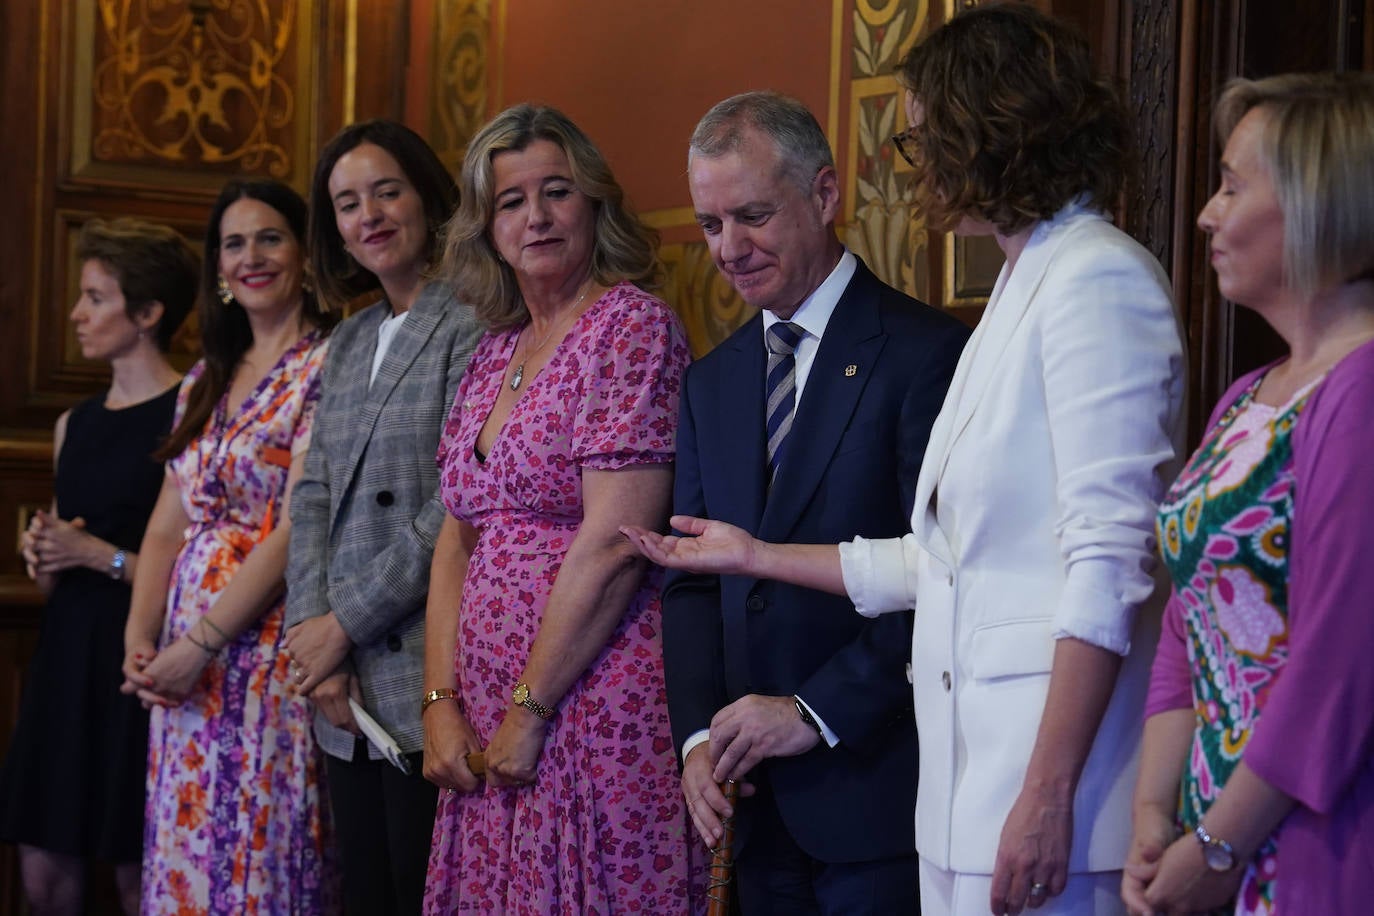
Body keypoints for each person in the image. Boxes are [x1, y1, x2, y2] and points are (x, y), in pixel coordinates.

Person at [625, 7, 1186, 915]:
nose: (913, 162)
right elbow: (941, 557)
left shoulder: (1094, 276)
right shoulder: (1020, 283)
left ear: (992, 130)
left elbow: (1113, 558)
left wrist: (1045, 793)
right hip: (965, 786)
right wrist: (754, 555)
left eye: (927, 136)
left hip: (1036, 779)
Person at [655, 90, 968, 914]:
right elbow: (689, 580)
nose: (729, 248)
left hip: (876, 795)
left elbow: (946, 574)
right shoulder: (709, 383)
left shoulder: (927, 354)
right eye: (711, 225)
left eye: (752, 215)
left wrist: (813, 711)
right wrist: (695, 741)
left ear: (825, 195)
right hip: (749, 811)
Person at [420, 103, 704, 914]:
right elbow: (457, 538)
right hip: (484, 727)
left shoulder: (632, 328)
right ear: (486, 227)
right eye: (511, 201)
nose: (536, 216)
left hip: (588, 705)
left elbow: (616, 543)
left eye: (557, 192)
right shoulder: (493, 349)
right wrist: (441, 705)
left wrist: (530, 709)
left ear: (595, 206)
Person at [1123, 72, 1374, 916]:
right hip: (1210, 829)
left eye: (1232, 186)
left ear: (1316, 202)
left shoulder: (1362, 385)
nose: (1206, 214)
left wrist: (1223, 842)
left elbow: (1340, 661)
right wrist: (1154, 817)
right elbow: (1186, 626)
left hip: (1314, 839)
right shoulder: (1247, 397)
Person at [119, 179, 339, 913]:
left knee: (257, 855)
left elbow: (295, 526)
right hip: (183, 669)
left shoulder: (329, 364)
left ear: (304, 253)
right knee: (184, 860)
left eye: (270, 238)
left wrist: (202, 645)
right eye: (234, 243)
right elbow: (165, 525)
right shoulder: (205, 380)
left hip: (265, 656)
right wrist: (142, 641)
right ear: (217, 265)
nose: (252, 257)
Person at [283, 119, 481, 915]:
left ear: (427, 197)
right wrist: (314, 641)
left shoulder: (475, 317)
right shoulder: (349, 338)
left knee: (418, 891)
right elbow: (312, 497)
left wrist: (347, 623)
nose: (368, 214)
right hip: (339, 685)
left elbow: (457, 499)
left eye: (386, 191)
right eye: (346, 202)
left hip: (422, 670)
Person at [0, 218, 196, 915]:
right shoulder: (71, 425)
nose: (77, 315)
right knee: (42, 865)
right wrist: (47, 553)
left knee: (137, 869)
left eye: (95, 297)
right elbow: (54, 579)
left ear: (147, 314)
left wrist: (102, 556)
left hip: (141, 659)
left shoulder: (191, 411)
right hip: (63, 660)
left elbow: (207, 572)